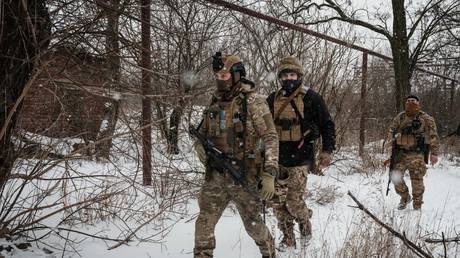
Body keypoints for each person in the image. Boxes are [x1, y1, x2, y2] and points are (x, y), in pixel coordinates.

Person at [193, 52, 279, 258]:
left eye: (224, 76)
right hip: (215, 176)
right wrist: (199, 146)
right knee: (203, 225)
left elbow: (270, 137)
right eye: (218, 76)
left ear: (237, 75)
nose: (220, 80)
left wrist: (269, 173)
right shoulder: (214, 102)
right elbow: (201, 133)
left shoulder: (253, 102)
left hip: (244, 174)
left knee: (254, 227)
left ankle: (269, 251)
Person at [266, 56, 336, 248]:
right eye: (285, 75)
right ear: (280, 77)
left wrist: (327, 151)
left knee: (293, 202)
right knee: (278, 203)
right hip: (277, 159)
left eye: (292, 74)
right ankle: (288, 238)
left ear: (299, 75)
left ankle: (305, 225)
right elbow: (262, 127)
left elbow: (327, 125)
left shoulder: (311, 98)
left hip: (301, 157)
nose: (289, 78)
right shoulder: (272, 99)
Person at [385, 94, 440, 210]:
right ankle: (405, 197)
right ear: (405, 103)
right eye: (408, 100)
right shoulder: (400, 117)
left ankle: (417, 205)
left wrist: (434, 153)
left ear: (418, 103)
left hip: (417, 154)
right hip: (401, 154)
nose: (411, 102)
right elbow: (391, 132)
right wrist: (390, 147)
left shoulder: (426, 118)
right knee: (395, 176)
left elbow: (433, 136)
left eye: (413, 100)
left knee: (417, 179)